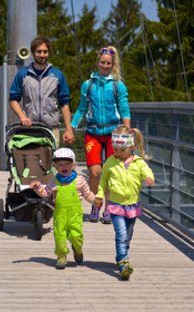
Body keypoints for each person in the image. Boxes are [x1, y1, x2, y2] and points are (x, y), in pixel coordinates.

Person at [71, 46, 131, 224]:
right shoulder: (88, 85)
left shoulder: (117, 85)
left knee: (112, 172)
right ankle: (95, 204)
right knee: (95, 171)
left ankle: (109, 207)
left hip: (113, 133)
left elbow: (125, 109)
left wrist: (128, 133)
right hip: (93, 132)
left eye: (108, 63)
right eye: (102, 62)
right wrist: (71, 127)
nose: (105, 66)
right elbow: (81, 109)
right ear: (98, 63)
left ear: (113, 65)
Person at [95, 125, 154, 280]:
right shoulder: (110, 162)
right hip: (115, 204)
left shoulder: (139, 162)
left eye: (122, 150)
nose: (118, 153)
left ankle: (122, 254)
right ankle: (123, 261)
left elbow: (146, 171)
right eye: (115, 149)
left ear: (131, 147)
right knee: (121, 234)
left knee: (128, 233)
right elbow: (103, 181)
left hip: (133, 204)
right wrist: (99, 196)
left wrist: (149, 178)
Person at [30, 148, 102, 269]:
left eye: (67, 164)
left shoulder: (80, 180)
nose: (64, 167)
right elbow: (45, 193)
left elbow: (87, 194)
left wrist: (94, 201)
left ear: (73, 165)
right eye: (60, 164)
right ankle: (61, 256)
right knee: (59, 237)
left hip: (75, 216)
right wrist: (38, 188)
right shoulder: (54, 182)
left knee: (76, 236)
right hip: (60, 216)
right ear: (56, 167)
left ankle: (77, 249)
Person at [9, 36, 75, 146]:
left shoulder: (57, 75)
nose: (42, 55)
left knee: (51, 162)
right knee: (31, 161)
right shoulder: (23, 74)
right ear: (33, 53)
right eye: (39, 52)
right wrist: (22, 117)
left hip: (51, 128)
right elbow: (13, 99)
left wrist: (68, 129)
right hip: (30, 128)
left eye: (45, 52)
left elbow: (64, 103)